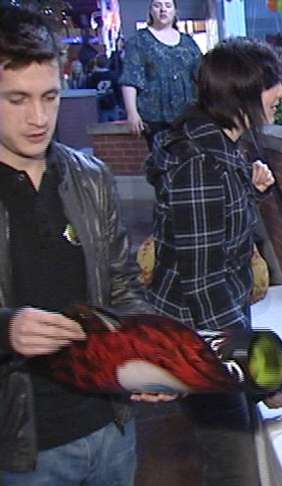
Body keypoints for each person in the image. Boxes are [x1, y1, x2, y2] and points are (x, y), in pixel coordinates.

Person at [0, 6, 165, 484]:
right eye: (17, 100)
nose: (38, 117)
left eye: (49, 97)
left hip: (110, 429)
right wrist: (6, 331)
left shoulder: (90, 178)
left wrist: (151, 353)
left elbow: (122, 287)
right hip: (23, 450)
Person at [145, 37, 282, 486]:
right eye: (273, 83)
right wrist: (265, 376)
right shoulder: (203, 165)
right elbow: (206, 288)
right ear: (244, 92)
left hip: (206, 334)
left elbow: (206, 233)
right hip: (199, 341)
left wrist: (245, 188)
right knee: (237, 469)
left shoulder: (216, 148)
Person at [119, 0, 201, 150]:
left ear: (175, 11)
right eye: (157, 5)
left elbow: (201, 76)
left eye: (168, 5)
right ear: (150, 10)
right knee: (161, 163)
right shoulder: (139, 42)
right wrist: (132, 113)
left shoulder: (188, 43)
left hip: (187, 116)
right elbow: (130, 79)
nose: (163, 10)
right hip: (155, 117)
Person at [86, 54, 122, 122]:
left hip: (99, 105)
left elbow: (89, 91)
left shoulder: (93, 76)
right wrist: (118, 103)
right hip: (112, 104)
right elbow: (118, 90)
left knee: (103, 127)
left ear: (96, 63)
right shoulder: (112, 75)